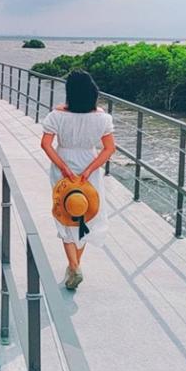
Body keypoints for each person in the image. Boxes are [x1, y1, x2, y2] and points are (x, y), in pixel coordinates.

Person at [40, 69, 116, 289]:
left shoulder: (57, 116)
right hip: (88, 169)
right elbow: (109, 148)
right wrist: (90, 169)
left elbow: (45, 144)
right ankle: (75, 265)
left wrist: (63, 167)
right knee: (84, 214)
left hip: (63, 164)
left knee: (65, 213)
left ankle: (73, 265)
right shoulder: (102, 117)